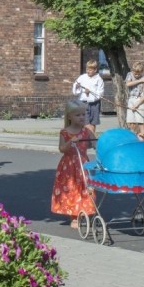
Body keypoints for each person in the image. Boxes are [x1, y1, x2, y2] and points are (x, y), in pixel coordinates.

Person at [51, 99, 97, 228]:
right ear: (69, 116)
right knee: (72, 189)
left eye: (83, 114)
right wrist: (71, 141)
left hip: (83, 163)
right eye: (78, 115)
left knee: (86, 188)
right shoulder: (65, 132)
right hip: (69, 165)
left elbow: (95, 144)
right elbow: (61, 149)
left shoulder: (87, 131)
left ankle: (85, 211)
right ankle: (74, 216)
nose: (82, 117)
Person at [72, 60, 105, 134]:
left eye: (90, 70)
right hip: (83, 103)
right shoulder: (82, 77)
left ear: (95, 70)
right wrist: (77, 87)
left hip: (94, 104)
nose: (88, 71)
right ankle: (89, 138)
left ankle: (91, 139)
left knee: (93, 123)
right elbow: (76, 91)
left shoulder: (99, 79)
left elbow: (100, 93)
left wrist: (89, 94)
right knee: (86, 122)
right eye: (87, 69)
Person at [125, 62, 144, 139]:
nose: (136, 75)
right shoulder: (129, 75)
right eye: (135, 73)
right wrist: (140, 80)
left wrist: (137, 104)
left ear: (141, 72)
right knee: (130, 122)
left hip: (139, 100)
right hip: (131, 99)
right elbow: (128, 84)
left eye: (139, 74)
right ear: (132, 71)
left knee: (140, 122)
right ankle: (133, 138)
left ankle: (142, 139)